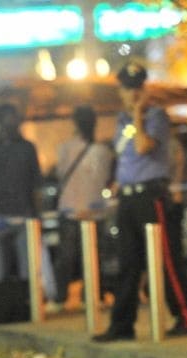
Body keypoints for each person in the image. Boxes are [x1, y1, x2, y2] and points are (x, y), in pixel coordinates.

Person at [93, 61, 187, 342]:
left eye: (135, 88)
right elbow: (124, 156)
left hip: (151, 196)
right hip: (128, 198)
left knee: (166, 260)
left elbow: (143, 147)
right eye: (126, 89)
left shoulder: (155, 117)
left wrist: (139, 114)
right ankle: (122, 324)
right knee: (128, 263)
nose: (130, 94)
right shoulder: (121, 121)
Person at [0, 102, 57, 300]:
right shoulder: (27, 149)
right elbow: (35, 186)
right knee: (26, 267)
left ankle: (5, 306)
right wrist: (36, 215)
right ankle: (26, 304)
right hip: (22, 215)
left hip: (0, 215)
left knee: (1, 268)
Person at [49, 105, 113, 310]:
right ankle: (93, 296)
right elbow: (105, 179)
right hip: (95, 211)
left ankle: (60, 298)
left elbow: (60, 174)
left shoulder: (65, 148)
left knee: (66, 258)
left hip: (70, 209)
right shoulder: (103, 151)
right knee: (94, 257)